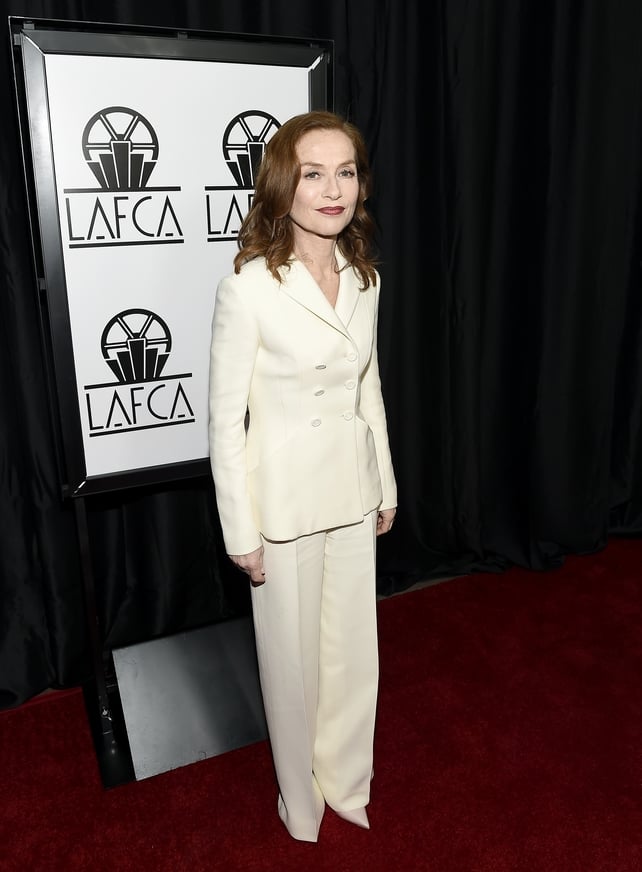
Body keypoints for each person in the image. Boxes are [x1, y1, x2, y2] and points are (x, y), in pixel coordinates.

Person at [208, 110, 397, 843]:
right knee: (291, 663)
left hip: (350, 489)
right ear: (283, 185)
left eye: (345, 172)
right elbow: (225, 422)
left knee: (355, 650)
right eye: (313, 173)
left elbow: (369, 387)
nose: (332, 189)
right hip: (280, 500)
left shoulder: (363, 277)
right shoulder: (248, 288)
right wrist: (239, 529)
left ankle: (348, 783)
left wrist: (384, 482)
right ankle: (301, 801)